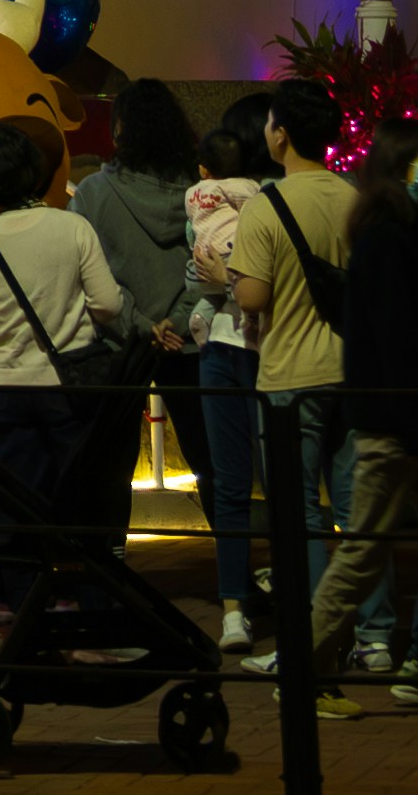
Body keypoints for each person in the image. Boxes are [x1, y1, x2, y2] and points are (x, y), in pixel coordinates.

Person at [208, 77, 360, 663]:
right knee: (355, 511)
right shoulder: (355, 198)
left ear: (281, 135)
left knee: (298, 516)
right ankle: (372, 639)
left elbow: (250, 297)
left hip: (291, 377)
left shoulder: (267, 205)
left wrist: (220, 275)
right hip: (352, 370)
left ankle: (310, 643)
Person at [0, 112, 124, 603]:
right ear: (34, 171)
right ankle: (85, 593)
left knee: (17, 497)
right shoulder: (72, 228)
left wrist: (3, 340)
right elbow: (109, 304)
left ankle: (25, 597)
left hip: (7, 387)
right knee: (77, 494)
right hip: (70, 386)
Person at [288, 120, 416, 713]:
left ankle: (305, 671)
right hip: (396, 423)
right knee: (361, 553)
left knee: (363, 550)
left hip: (390, 418)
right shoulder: (390, 237)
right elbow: (395, 337)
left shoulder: (381, 231)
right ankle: (302, 671)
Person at [73, 76, 202, 550]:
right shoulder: (200, 193)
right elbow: (209, 268)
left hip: (119, 341)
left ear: (120, 129)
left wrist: (143, 326)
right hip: (188, 341)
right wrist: (177, 321)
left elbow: (92, 278)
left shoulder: (92, 193)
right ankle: (235, 576)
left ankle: (111, 559)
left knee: (113, 458)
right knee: (208, 456)